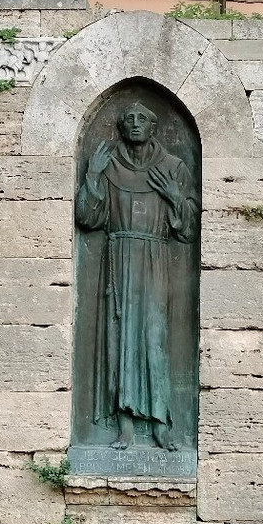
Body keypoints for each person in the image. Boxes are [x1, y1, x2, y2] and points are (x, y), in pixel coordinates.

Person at [75, 101, 197, 450]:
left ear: (154, 126)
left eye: (142, 118)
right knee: (119, 340)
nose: (134, 123)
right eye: (128, 119)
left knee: (154, 339)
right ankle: (124, 425)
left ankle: (160, 423)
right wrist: (93, 177)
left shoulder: (173, 168)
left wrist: (175, 198)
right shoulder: (109, 166)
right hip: (119, 258)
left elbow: (187, 230)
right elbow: (88, 219)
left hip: (155, 261)